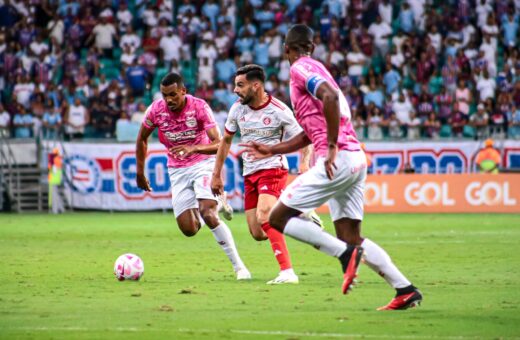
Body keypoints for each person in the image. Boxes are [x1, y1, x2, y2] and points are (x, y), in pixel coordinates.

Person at [242, 24, 421, 310]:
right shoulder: (320, 70)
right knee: (351, 236)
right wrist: (273, 149)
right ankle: (404, 288)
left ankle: (343, 255)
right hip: (353, 160)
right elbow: (310, 131)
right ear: (312, 46)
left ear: (286, 49)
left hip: (335, 159)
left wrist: (332, 147)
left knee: (276, 218)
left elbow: (330, 98)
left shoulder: (300, 69)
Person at [135, 73, 250, 280]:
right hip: (177, 171)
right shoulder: (155, 110)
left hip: (202, 164)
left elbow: (219, 143)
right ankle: (215, 203)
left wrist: (193, 148)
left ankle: (239, 267)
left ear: (183, 91)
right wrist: (139, 172)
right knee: (189, 229)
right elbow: (142, 138)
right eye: (164, 95)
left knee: (208, 214)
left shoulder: (199, 107)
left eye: (173, 95)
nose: (168, 100)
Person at [211, 64, 312, 285]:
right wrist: (216, 174)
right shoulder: (237, 109)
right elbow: (225, 141)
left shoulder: (279, 110)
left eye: (240, 85)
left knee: (264, 214)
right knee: (258, 232)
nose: (235, 90)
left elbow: (306, 138)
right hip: (250, 173)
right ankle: (292, 212)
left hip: (273, 168)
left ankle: (287, 272)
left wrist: (304, 163)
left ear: (256, 85)